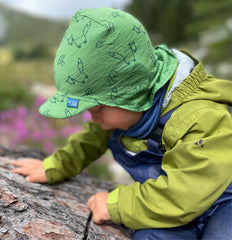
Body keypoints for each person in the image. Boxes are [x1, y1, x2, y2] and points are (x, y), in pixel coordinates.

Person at [11, 7, 232, 240]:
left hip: (221, 201)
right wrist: (55, 166)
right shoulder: (121, 115)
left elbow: (188, 194)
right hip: (170, 209)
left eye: (97, 108)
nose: (93, 118)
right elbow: (88, 142)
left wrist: (117, 205)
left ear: (131, 93)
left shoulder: (200, 116)